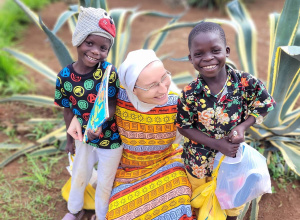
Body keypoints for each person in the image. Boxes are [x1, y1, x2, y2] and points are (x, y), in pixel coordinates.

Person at [68, 49, 194, 219]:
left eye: (164, 77)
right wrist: (76, 117)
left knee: (179, 199)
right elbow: (86, 101)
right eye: (152, 85)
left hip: (165, 165)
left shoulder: (176, 103)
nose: (163, 88)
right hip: (126, 173)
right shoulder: (116, 100)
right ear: (132, 89)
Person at [175, 21, 276, 220]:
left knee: (231, 199)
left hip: (231, 158)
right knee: (198, 199)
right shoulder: (190, 92)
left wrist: (242, 125)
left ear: (226, 51)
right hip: (198, 160)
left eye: (215, 50)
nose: (208, 58)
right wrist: (216, 144)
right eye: (199, 54)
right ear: (190, 58)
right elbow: (183, 126)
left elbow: (265, 104)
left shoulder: (245, 83)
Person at [54, 7, 123, 220]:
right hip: (83, 137)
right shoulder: (64, 76)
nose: (95, 51)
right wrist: (69, 139)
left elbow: (112, 103)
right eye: (89, 43)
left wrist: (100, 121)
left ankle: (102, 216)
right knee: (79, 175)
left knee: (105, 181)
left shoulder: (108, 72)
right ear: (78, 39)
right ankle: (74, 210)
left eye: (103, 47)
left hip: (110, 139)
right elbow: (68, 110)